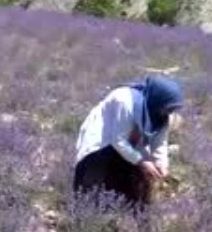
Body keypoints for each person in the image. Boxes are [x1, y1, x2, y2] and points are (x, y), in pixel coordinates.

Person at [72, 75, 184, 221]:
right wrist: (141, 162)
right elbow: (118, 140)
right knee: (92, 182)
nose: (168, 112)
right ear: (158, 100)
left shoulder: (161, 115)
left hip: (129, 144)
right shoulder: (124, 101)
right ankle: (85, 222)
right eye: (167, 108)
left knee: (135, 185)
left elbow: (160, 143)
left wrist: (162, 165)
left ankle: (134, 223)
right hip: (102, 141)